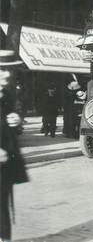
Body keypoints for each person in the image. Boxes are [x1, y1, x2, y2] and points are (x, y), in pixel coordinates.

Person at [0, 51, 29, 242]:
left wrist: (17, 120)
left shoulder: (7, 94)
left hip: (5, 158)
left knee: (3, 202)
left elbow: (11, 120)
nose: (7, 74)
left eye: (9, 70)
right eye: (1, 69)